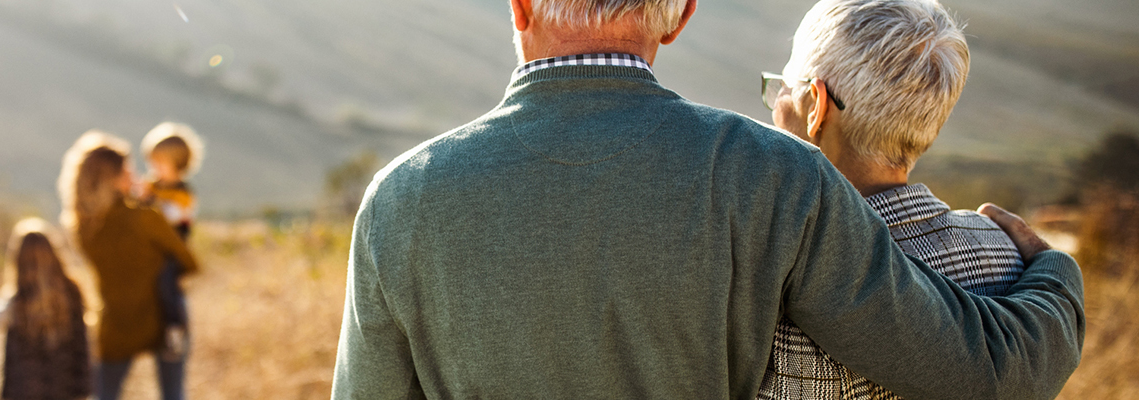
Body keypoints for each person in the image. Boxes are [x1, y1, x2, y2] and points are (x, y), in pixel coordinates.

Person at [329, 0, 1084, 398]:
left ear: (520, 4)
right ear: (682, 13)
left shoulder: (402, 199)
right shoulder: (773, 173)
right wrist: (1056, 279)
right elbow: (970, 369)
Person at [755, 1, 1028, 398]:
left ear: (815, 106)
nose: (775, 107)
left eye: (782, 87)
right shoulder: (1008, 254)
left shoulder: (782, 284)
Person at [58, 131, 201, 400]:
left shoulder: (82, 228)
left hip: (116, 323)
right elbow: (189, 262)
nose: (137, 176)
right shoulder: (145, 218)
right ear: (115, 178)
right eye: (129, 171)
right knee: (173, 394)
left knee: (104, 395)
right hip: (164, 316)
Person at [0, 217, 95, 400]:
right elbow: (84, 348)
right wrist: (85, 390)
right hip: (66, 393)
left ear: (18, 260)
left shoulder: (16, 302)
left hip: (23, 393)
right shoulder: (72, 294)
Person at [136, 122, 205, 363]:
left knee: (166, 282)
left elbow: (174, 216)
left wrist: (151, 199)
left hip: (173, 252)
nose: (154, 168)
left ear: (178, 164)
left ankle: (174, 328)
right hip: (151, 250)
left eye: (160, 163)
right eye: (152, 162)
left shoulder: (183, 192)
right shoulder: (152, 186)